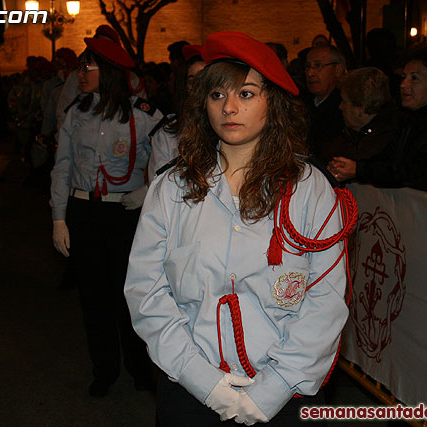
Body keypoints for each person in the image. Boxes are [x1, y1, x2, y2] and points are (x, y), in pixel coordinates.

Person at [125, 31, 354, 426]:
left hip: (283, 393)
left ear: (273, 102)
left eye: (246, 94)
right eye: (217, 95)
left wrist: (274, 388)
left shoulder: (309, 189)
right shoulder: (173, 187)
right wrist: (205, 383)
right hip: (190, 387)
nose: (229, 107)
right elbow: (147, 292)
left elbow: (326, 300)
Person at [49, 36, 162, 396]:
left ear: (109, 72)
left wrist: (149, 190)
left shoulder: (142, 114)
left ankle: (140, 367)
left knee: (129, 297)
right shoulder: (76, 113)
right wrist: (59, 218)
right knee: (93, 297)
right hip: (85, 210)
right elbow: (62, 167)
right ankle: (105, 370)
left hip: (125, 213)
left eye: (88, 66)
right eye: (81, 65)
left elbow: (174, 155)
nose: (80, 73)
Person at [328, 46, 427, 195]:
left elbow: (414, 171)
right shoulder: (408, 120)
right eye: (403, 77)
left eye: (414, 78)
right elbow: (387, 159)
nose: (403, 85)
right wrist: (354, 167)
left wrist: (359, 170)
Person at [318, 67, 400, 170]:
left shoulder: (386, 138)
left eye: (344, 101)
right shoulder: (354, 131)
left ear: (361, 108)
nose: (340, 106)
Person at [147, 45, 204, 183]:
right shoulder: (167, 134)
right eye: (192, 81)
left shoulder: (233, 131)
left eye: (206, 79)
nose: (200, 87)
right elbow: (158, 184)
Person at [303, 45, 346, 155]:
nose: (310, 73)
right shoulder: (301, 104)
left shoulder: (345, 108)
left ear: (338, 70)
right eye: (307, 67)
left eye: (318, 66)